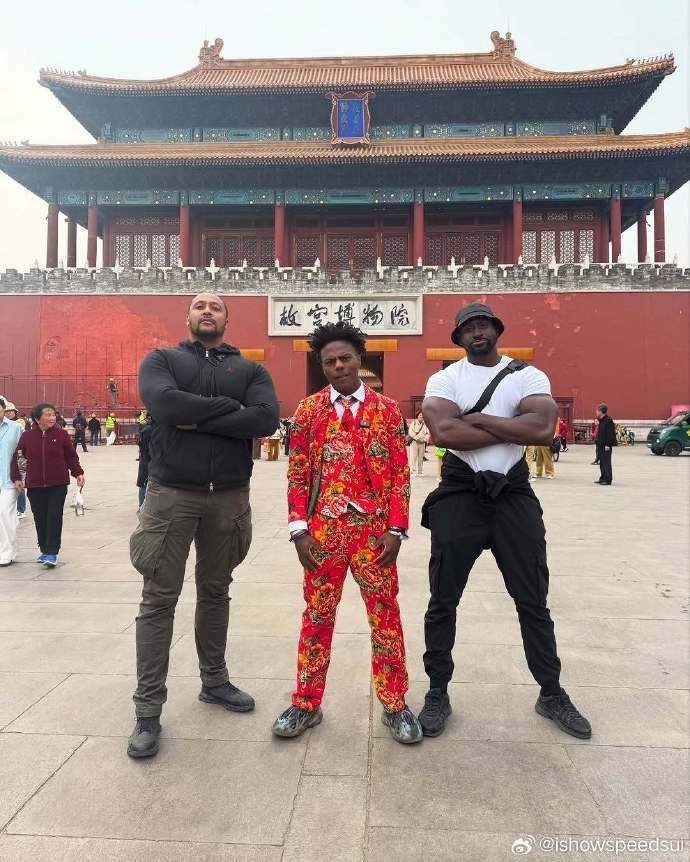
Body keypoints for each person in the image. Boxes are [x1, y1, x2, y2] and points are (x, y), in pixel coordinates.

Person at [419, 302, 591, 740]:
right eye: (469, 328)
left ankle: (551, 692)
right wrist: (512, 423)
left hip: (513, 495)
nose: (477, 332)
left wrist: (476, 418)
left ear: (497, 331)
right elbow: (445, 433)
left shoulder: (526, 375)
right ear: (459, 337)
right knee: (443, 599)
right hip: (460, 493)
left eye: (484, 326)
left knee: (533, 599)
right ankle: (437, 691)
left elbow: (542, 429)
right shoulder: (446, 379)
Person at [127, 292, 279, 759]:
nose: (207, 311)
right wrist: (230, 412)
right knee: (158, 599)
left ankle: (214, 681)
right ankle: (147, 710)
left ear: (227, 319)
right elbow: (164, 405)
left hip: (228, 494)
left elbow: (266, 418)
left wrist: (198, 416)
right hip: (170, 493)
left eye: (215, 306)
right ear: (188, 316)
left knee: (216, 591)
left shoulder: (249, 370)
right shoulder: (163, 360)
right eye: (199, 306)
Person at [272, 321, 422, 745]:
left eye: (345, 358)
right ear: (322, 367)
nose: (339, 366)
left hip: (375, 536)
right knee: (316, 617)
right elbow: (298, 473)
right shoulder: (308, 412)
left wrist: (396, 529)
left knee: (385, 617)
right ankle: (306, 703)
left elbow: (400, 475)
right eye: (330, 362)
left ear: (361, 359)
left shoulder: (387, 411)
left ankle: (395, 704)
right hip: (322, 536)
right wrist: (299, 530)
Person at [11, 403, 85, 568]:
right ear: (37, 418)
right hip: (35, 485)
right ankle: (44, 549)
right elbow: (18, 457)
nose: (52, 418)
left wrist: (78, 473)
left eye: (53, 415)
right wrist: (16, 478)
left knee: (54, 517)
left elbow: (71, 456)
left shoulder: (61, 435)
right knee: (40, 518)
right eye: (48, 415)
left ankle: (52, 552)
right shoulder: (27, 436)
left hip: (57, 484)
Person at [0, 398, 22, 566]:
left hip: (9, 479)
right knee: (8, 517)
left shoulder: (15, 428)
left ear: (4, 410)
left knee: (4, 513)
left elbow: (24, 453)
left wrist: (21, 476)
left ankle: (7, 552)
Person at [594, 403, 616, 485]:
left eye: (597, 411)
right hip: (600, 444)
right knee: (602, 462)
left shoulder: (608, 421)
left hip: (606, 445)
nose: (596, 412)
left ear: (601, 411)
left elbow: (610, 434)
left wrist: (608, 445)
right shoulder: (601, 420)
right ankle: (602, 478)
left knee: (606, 462)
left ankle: (608, 480)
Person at [136, 417, 152, 508]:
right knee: (144, 484)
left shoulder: (146, 428)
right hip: (148, 461)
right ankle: (142, 506)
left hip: (146, 460)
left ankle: (142, 506)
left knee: (143, 484)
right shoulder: (150, 429)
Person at [408, 412, 429, 476]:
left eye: (422, 415)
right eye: (420, 415)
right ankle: (412, 471)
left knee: (421, 457)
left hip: (422, 443)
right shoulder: (413, 423)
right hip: (414, 442)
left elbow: (428, 433)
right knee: (413, 457)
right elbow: (411, 432)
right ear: (417, 416)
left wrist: (424, 439)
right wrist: (417, 439)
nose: (421, 416)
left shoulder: (425, 424)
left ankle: (420, 471)